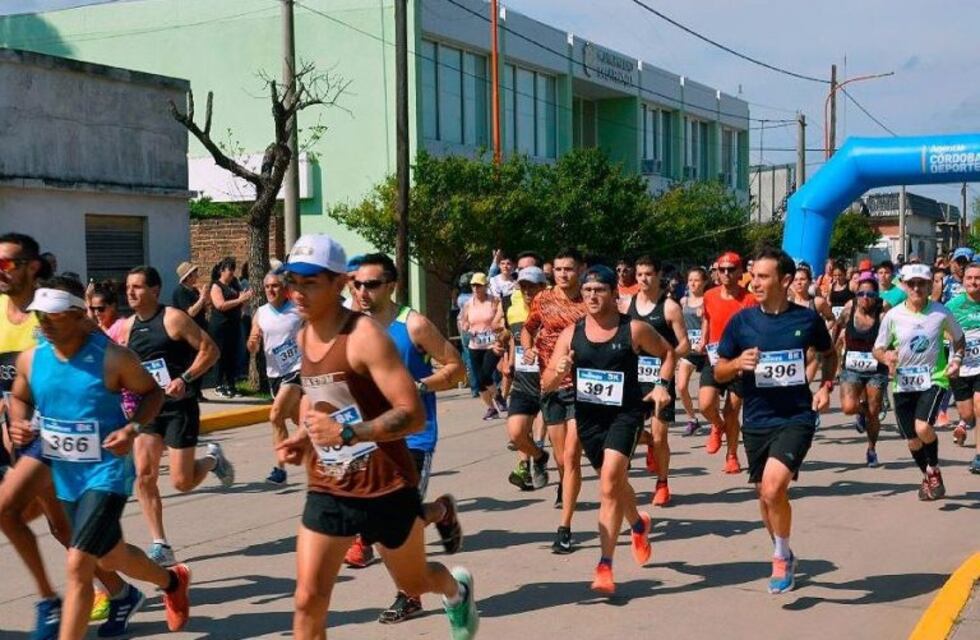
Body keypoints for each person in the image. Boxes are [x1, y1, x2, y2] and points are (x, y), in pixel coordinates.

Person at [274, 233, 479, 640]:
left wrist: (347, 431)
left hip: (385, 485)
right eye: (293, 280)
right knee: (307, 600)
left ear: (338, 284)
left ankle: (456, 590)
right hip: (329, 485)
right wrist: (303, 436)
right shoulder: (303, 334)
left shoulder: (364, 336)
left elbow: (412, 414)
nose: (297, 291)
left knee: (416, 582)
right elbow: (319, 397)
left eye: (309, 282)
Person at [6, 277, 193, 638]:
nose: (44, 322)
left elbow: (151, 394)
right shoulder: (32, 359)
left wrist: (132, 429)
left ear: (78, 315)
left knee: (78, 565)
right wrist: (18, 423)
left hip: (106, 473)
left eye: (54, 315)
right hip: (66, 475)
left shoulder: (113, 358)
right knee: (110, 556)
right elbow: (21, 397)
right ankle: (172, 581)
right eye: (39, 315)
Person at [351, 253, 467, 624]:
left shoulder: (413, 325)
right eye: (356, 284)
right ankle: (440, 512)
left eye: (370, 284)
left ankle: (409, 594)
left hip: (413, 436)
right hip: (369, 438)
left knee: (397, 526)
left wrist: (418, 385)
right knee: (378, 520)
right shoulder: (352, 327)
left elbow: (456, 368)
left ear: (391, 286)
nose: (361, 291)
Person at [543, 265, 673, 594]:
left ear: (614, 294)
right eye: (587, 291)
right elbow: (546, 383)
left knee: (609, 482)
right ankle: (638, 523)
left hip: (625, 415)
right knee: (614, 484)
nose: (592, 297)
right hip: (588, 419)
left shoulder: (634, 330)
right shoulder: (572, 334)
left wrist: (661, 384)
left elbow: (668, 353)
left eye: (599, 290)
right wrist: (559, 372)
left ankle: (605, 564)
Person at [715, 247, 836, 594]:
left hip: (796, 416)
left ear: (785, 281)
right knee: (765, 498)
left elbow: (829, 354)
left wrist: (826, 386)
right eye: (753, 276)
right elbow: (719, 371)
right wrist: (738, 363)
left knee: (773, 488)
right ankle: (784, 551)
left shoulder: (806, 320)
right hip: (756, 419)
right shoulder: (742, 322)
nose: (754, 282)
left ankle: (780, 556)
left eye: (763, 276)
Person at [120, 266, 230, 566]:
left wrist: (185, 378)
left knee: (181, 482)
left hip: (179, 407)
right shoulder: (127, 326)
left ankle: (212, 460)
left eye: (138, 286)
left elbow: (211, 350)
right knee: (144, 475)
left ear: (155, 290)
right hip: (148, 408)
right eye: (128, 286)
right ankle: (161, 543)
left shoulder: (173, 318)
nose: (130, 292)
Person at [873, 263, 964, 501]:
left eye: (921, 283)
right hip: (902, 383)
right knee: (912, 439)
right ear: (903, 285)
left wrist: (956, 360)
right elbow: (878, 348)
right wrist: (886, 357)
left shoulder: (940, 312)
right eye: (911, 283)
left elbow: (959, 338)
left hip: (933, 379)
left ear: (929, 285)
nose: (916, 288)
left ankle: (932, 467)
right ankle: (929, 475)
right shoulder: (893, 316)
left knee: (922, 427)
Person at [521, 248, 587, 549]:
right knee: (562, 458)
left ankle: (565, 527)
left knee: (572, 456)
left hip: (582, 386)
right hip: (550, 382)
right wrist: (528, 349)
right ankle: (565, 483)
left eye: (569, 269)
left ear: (581, 269)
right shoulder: (543, 300)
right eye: (558, 269)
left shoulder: (591, 299)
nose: (563, 274)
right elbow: (528, 328)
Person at [621, 255, 688, 506]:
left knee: (660, 436)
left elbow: (685, 345)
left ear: (659, 275)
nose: (643, 279)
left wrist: (665, 356)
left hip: (661, 377)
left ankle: (662, 483)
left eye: (648, 274)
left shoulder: (669, 307)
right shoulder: (628, 304)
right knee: (631, 432)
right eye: (639, 275)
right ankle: (647, 443)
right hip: (634, 378)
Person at [699, 251, 758, 474]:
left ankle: (732, 455)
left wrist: (747, 360)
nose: (725, 273)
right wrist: (703, 341)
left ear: (740, 271)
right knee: (705, 404)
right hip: (714, 357)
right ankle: (716, 424)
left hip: (738, 361)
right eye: (721, 269)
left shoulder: (750, 300)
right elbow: (707, 319)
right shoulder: (710, 295)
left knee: (732, 411)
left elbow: (754, 331)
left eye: (730, 269)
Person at [247, 271, 305, 485]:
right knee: (300, 420)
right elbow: (252, 345)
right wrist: (252, 343)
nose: (271, 290)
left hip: (297, 370)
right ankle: (328, 452)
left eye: (275, 286)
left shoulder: (297, 310)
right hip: (275, 373)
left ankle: (280, 469)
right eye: (267, 287)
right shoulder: (260, 313)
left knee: (275, 415)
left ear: (284, 289)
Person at [504, 266, 551, 491]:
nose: (527, 291)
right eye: (523, 286)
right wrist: (508, 357)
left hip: (552, 383)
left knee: (564, 447)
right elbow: (512, 336)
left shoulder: (556, 310)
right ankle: (540, 457)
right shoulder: (513, 311)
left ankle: (564, 490)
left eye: (532, 286)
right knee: (516, 433)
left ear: (544, 287)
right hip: (523, 381)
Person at [836, 273, 889, 467]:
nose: (865, 298)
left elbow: (894, 335)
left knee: (874, 412)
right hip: (851, 366)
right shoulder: (849, 308)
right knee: (848, 407)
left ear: (876, 295)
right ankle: (861, 412)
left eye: (870, 294)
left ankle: (871, 449)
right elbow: (836, 328)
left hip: (876, 368)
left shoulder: (883, 312)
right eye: (861, 293)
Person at [944, 263, 980, 472]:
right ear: (963, 280)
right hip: (959, 367)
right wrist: (957, 339)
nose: (974, 282)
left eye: (978, 278)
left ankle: (978, 455)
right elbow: (940, 329)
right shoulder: (953, 305)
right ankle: (966, 424)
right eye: (970, 278)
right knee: (968, 414)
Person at [459, 273, 504, 420]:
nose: (476, 288)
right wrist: (466, 328)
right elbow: (463, 322)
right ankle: (491, 408)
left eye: (479, 285)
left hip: (492, 344)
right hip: (475, 344)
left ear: (486, 286)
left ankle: (498, 396)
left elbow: (502, 320)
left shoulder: (494, 301)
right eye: (474, 285)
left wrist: (499, 334)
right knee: (479, 382)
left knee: (485, 375)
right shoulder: (468, 304)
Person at [209, 257, 252, 398]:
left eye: (234, 269)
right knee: (221, 355)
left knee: (232, 355)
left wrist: (243, 300)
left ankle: (231, 384)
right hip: (220, 326)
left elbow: (241, 300)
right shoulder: (216, 286)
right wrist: (239, 300)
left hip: (233, 324)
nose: (232, 272)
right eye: (229, 269)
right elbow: (220, 305)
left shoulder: (234, 284)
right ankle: (218, 384)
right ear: (222, 270)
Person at [678, 267, 708, 437]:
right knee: (681, 386)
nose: (693, 283)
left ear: (704, 282)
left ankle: (716, 422)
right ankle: (692, 419)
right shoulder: (683, 301)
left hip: (706, 352)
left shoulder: (708, 300)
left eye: (697, 280)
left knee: (707, 394)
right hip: (690, 350)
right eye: (690, 280)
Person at [171, 261, 209, 332]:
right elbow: (191, 312)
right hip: (189, 330)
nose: (197, 276)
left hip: (201, 327)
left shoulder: (195, 290)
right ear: (188, 277)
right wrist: (202, 297)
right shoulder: (180, 291)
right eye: (195, 274)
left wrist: (204, 298)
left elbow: (206, 310)